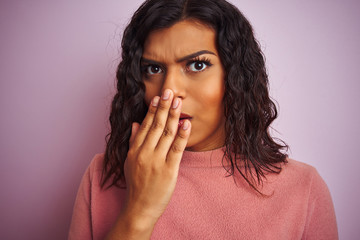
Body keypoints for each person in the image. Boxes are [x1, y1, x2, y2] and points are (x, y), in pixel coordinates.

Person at [68, 0, 338, 239]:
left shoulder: (303, 189)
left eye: (197, 65)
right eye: (154, 68)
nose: (169, 91)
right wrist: (140, 210)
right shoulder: (104, 174)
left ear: (235, 77)